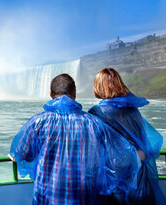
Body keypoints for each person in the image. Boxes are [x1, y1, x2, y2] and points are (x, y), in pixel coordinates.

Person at [10, 73, 141, 205]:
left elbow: (21, 155)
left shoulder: (37, 122)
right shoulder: (95, 124)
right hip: (84, 199)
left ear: (50, 94)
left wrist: (14, 156)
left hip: (46, 200)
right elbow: (121, 160)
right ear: (75, 93)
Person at [88, 68, 165, 204]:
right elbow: (144, 143)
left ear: (98, 87)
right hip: (137, 172)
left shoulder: (96, 112)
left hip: (112, 178)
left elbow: (92, 149)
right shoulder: (133, 110)